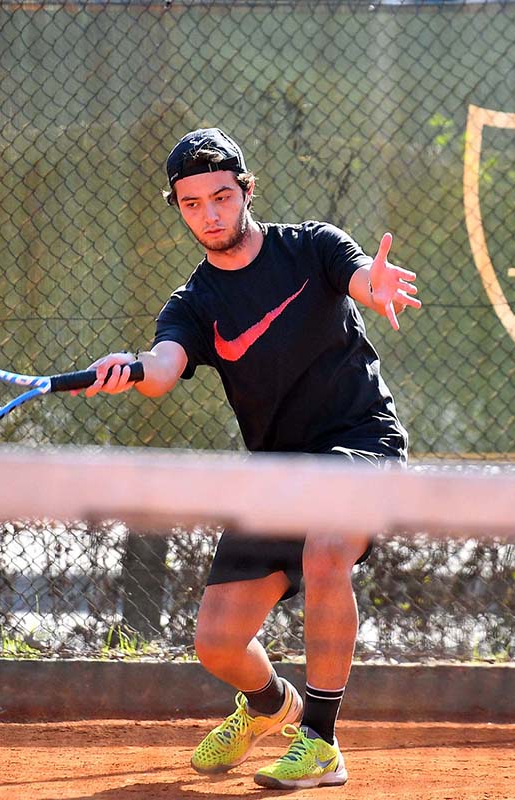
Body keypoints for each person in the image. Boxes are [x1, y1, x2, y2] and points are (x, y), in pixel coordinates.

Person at [80, 127, 420, 790]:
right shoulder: (196, 303)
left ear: (246, 191)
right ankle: (273, 706)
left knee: (328, 547)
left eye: (222, 196)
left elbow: (356, 277)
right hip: (277, 474)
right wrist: (131, 368)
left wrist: (371, 287)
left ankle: (319, 740)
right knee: (217, 642)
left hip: (361, 444)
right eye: (192, 203)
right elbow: (163, 366)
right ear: (178, 208)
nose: (210, 213)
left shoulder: (311, 248)